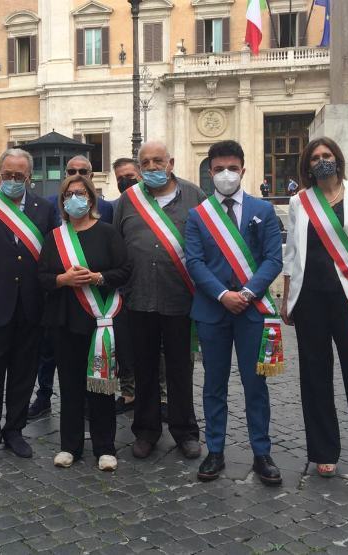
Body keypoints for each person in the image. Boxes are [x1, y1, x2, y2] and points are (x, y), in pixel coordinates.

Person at [281, 137, 348, 479]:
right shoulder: (299, 201)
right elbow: (291, 254)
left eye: (327, 155)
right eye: (315, 158)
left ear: (338, 159)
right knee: (315, 376)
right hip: (309, 299)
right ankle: (323, 450)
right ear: (307, 165)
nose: (322, 161)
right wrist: (286, 298)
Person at [184, 140, 284, 485]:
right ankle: (214, 450)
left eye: (232, 168)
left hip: (252, 310)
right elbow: (193, 262)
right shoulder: (199, 215)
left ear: (243, 169)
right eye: (218, 169)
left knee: (255, 384)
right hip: (213, 311)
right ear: (210, 173)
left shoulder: (263, 210)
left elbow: (274, 259)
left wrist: (247, 292)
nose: (226, 174)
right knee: (213, 384)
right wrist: (223, 294)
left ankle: (261, 452)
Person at [0, 148, 59, 465]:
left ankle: (14, 430)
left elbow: (52, 255)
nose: (13, 180)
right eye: (8, 175)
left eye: (19, 175)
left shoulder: (43, 208)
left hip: (32, 305)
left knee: (23, 372)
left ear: (28, 177)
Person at [112, 140, 206, 460]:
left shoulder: (195, 196)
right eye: (145, 162)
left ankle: (185, 431)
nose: (151, 167)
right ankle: (146, 430)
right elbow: (116, 247)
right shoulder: (128, 201)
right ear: (139, 168)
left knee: (181, 368)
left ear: (171, 162)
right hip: (138, 299)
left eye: (158, 161)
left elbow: (210, 244)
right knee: (145, 368)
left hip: (181, 298)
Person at [39, 174, 131, 471]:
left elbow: (126, 270)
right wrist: (62, 279)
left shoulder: (107, 233)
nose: (74, 198)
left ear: (91, 198)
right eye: (68, 194)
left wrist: (98, 278)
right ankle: (70, 446)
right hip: (65, 321)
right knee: (70, 385)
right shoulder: (55, 237)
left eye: (79, 193)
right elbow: (40, 277)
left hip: (99, 321)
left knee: (102, 385)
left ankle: (105, 447)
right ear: (62, 201)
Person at [27, 155, 114, 419]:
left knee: (88, 352)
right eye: (71, 170)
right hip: (58, 294)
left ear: (92, 175)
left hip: (92, 301)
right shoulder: (48, 206)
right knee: (48, 352)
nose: (77, 173)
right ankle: (44, 396)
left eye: (83, 170)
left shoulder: (107, 208)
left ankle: (89, 401)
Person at [110, 157, 167, 416]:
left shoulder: (160, 204)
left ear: (140, 174)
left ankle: (163, 396)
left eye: (130, 176)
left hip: (160, 286)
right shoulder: (119, 205)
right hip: (126, 287)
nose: (125, 181)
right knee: (126, 345)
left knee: (161, 348)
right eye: (120, 177)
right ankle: (129, 392)